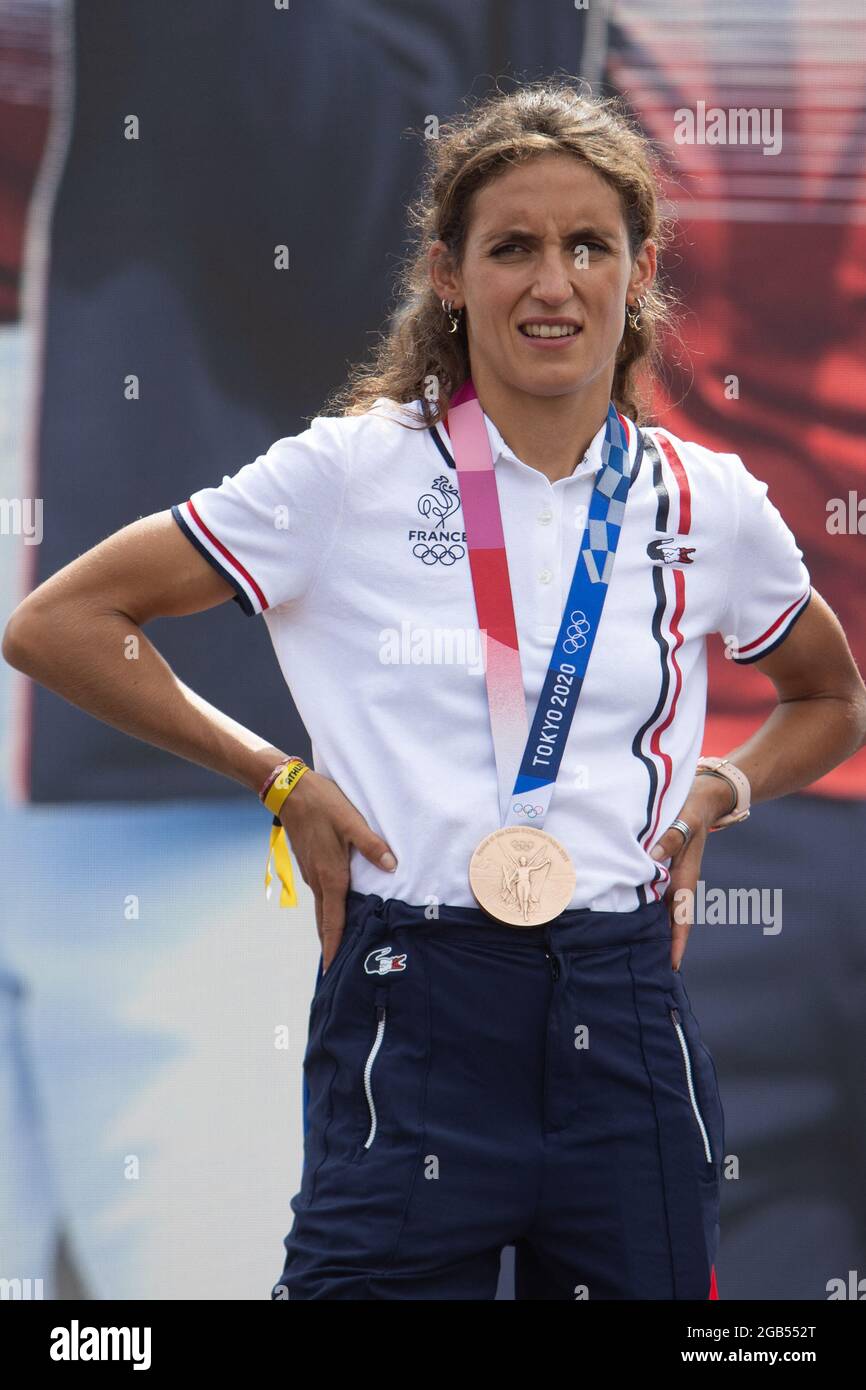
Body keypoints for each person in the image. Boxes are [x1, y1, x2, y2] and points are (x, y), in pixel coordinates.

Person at [3, 79, 865, 1302]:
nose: (551, 282)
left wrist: (722, 785)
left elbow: (830, 697)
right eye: (510, 246)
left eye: (587, 246)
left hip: (621, 997)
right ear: (449, 274)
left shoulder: (701, 500)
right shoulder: (349, 473)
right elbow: (60, 623)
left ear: (639, 269)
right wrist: (278, 778)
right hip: (414, 999)